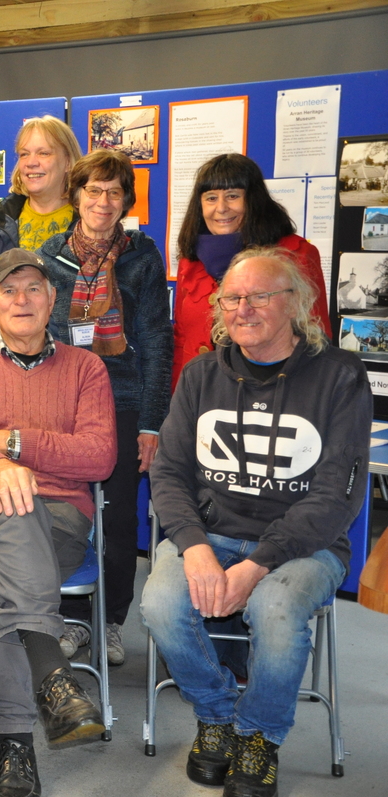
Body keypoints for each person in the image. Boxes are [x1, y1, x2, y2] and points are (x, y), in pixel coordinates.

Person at [142, 248, 370, 797]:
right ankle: (218, 718)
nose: (242, 309)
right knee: (161, 602)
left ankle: (259, 737)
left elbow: (336, 495)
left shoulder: (340, 378)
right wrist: (193, 548)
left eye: (260, 296)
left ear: (297, 304)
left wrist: (258, 564)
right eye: (233, 298)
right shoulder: (201, 374)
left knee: (275, 606)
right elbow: (170, 473)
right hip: (209, 533)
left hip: (301, 547)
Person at [0, 248, 116, 797]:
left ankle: (14, 743)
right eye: (8, 290)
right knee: (14, 507)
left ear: (53, 298)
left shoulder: (87, 369)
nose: (21, 299)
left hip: (57, 521)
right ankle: (51, 673)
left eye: (34, 288)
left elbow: (100, 455)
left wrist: (13, 443)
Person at [38, 150, 173, 666]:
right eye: (93, 190)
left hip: (122, 401)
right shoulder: (51, 254)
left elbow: (157, 341)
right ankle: (70, 620)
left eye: (114, 192)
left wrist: (150, 423)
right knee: (65, 512)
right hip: (63, 406)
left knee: (117, 520)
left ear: (126, 201)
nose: (103, 201)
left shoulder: (142, 256)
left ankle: (111, 621)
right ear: (76, 196)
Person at [172, 153, 332, 387]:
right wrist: (179, 399)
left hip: (274, 391)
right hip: (201, 390)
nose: (221, 208)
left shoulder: (295, 254)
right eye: (211, 198)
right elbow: (181, 339)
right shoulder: (191, 261)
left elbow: (315, 336)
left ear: (254, 200)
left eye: (233, 196)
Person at [0, 116, 83, 349]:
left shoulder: (87, 226)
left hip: (69, 363)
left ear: (67, 161)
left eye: (43, 153)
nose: (31, 163)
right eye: (24, 154)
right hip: (1, 362)